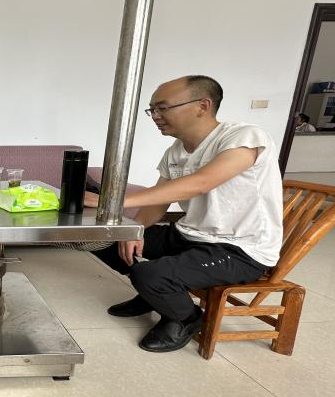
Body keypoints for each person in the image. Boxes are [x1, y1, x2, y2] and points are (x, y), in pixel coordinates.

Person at [86, 75, 283, 353]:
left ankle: (186, 318)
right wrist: (133, 229)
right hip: (189, 234)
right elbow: (159, 201)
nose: (156, 116)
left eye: (163, 107)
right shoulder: (175, 151)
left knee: (150, 275)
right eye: (152, 109)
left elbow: (202, 182)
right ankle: (155, 295)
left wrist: (113, 202)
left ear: (203, 105)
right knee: (99, 237)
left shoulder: (244, 137)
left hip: (239, 249)